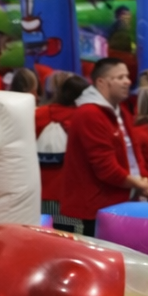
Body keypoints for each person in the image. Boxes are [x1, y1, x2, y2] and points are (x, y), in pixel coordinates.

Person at [61, 58, 148, 236]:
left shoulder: (119, 110)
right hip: (92, 210)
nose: (127, 81)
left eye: (127, 76)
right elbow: (105, 167)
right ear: (101, 82)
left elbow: (133, 152)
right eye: (120, 77)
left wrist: (142, 180)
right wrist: (139, 184)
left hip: (117, 204)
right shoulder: (89, 113)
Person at [35, 73, 90, 231]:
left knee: (41, 236)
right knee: (69, 236)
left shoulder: (39, 114)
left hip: (41, 191)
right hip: (72, 194)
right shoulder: (84, 117)